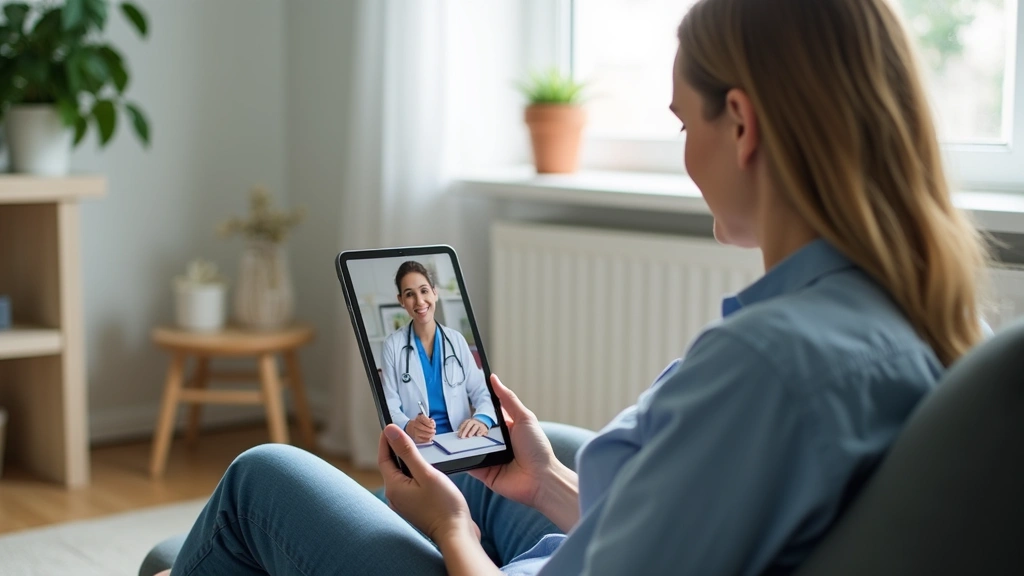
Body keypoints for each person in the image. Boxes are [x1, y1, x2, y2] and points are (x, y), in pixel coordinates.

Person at [154, 0, 990, 574]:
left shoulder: (769, 366)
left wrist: (451, 532)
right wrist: (549, 481)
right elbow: (693, 523)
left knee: (262, 477)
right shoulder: (907, 315)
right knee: (480, 459)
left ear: (743, 125)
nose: (684, 151)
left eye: (681, 123)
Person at [381, 261, 497, 443]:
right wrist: (408, 426)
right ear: (401, 301)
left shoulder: (456, 340)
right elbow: (389, 404)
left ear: (435, 293)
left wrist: (482, 419)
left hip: (461, 439)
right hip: (419, 444)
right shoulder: (392, 346)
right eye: (410, 294)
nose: (419, 301)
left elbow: (481, 390)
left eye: (424, 291)